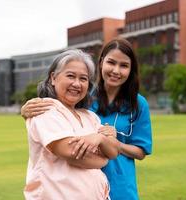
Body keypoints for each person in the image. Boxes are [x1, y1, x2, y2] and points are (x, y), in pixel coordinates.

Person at [22, 38, 153, 200]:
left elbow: (140, 151)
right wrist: (27, 110)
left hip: (120, 184)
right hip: (73, 185)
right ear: (101, 62)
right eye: (111, 62)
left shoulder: (138, 104)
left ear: (131, 70)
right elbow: (59, 130)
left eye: (124, 65)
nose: (116, 70)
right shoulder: (83, 98)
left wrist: (109, 141)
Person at [24, 49, 119, 200]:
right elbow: (71, 152)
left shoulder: (90, 117)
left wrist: (99, 139)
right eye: (70, 76)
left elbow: (114, 150)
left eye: (83, 78)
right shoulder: (45, 109)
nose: (76, 83)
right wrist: (103, 159)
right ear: (53, 78)